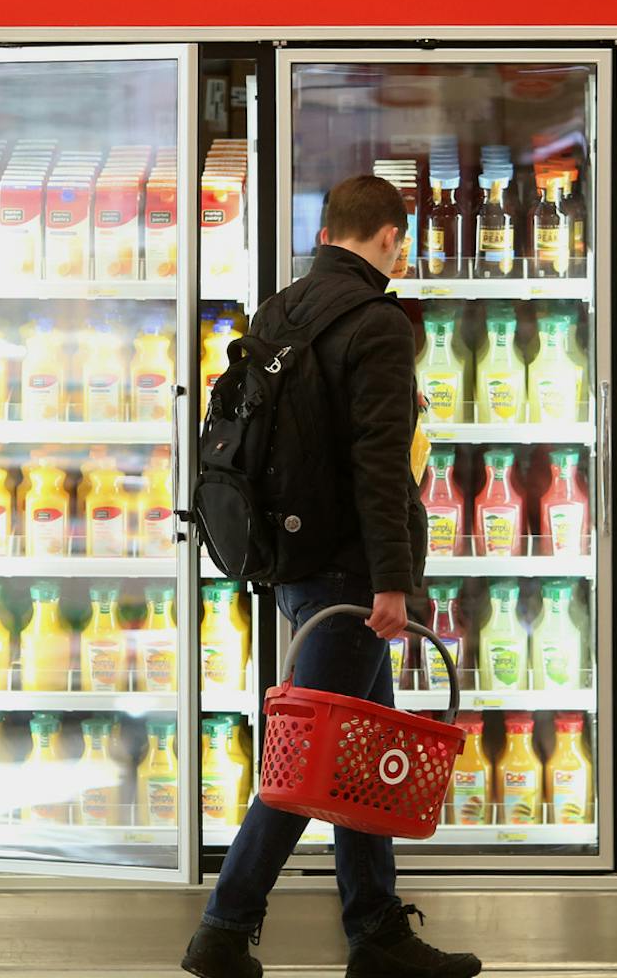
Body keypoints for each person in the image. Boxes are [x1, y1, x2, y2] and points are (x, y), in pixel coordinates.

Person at [182, 175, 481, 978]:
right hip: (350, 575)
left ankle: (376, 930)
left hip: (293, 562)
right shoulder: (378, 323)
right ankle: (224, 925)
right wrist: (394, 582)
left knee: (364, 753)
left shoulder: (284, 307)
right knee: (308, 757)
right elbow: (379, 464)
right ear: (389, 236)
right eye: (403, 240)